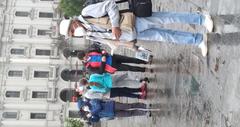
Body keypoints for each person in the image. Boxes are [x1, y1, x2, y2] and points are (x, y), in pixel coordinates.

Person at [59, 0, 213, 56]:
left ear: (73, 23)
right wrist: (122, 45)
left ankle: (201, 19)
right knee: (167, 36)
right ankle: (197, 40)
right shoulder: (88, 35)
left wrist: (115, 26)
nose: (74, 34)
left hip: (133, 20)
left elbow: (110, 5)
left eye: (72, 31)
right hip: (132, 35)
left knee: (168, 18)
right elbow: (109, 40)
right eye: (72, 35)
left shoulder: (86, 14)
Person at [71, 48, 152, 74]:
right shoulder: (88, 67)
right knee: (129, 68)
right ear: (83, 59)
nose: (87, 55)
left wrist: (104, 54)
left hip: (112, 57)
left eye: (86, 54)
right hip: (111, 66)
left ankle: (145, 61)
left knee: (129, 59)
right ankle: (144, 70)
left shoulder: (90, 52)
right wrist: (103, 62)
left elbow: (101, 50)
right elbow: (100, 71)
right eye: (86, 56)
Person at [77, 98, 152, 123]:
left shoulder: (92, 102)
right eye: (83, 109)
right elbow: (97, 119)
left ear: (84, 103)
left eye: (83, 107)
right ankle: (144, 113)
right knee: (129, 114)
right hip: (112, 114)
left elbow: (99, 107)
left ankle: (144, 106)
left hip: (112, 106)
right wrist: (90, 119)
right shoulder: (90, 114)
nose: (84, 109)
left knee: (129, 106)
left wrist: (91, 113)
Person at [79, 73, 148, 99]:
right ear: (85, 79)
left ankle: (140, 87)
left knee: (125, 84)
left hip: (111, 86)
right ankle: (140, 80)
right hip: (110, 78)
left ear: (85, 85)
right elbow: (102, 74)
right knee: (126, 75)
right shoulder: (92, 76)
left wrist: (106, 87)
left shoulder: (92, 88)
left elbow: (103, 90)